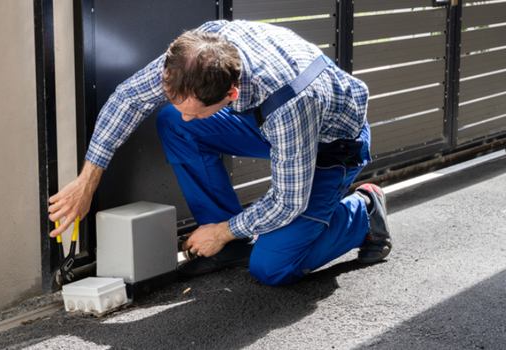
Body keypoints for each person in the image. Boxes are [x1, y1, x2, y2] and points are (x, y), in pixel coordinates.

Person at [47, 20, 392, 286]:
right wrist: (87, 180)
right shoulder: (196, 55)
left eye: (196, 110)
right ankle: (232, 246)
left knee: (272, 268)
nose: (187, 115)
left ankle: (363, 212)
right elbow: (127, 99)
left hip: (331, 147)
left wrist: (223, 230)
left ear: (230, 93)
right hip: (275, 126)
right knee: (172, 123)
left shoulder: (289, 101)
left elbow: (289, 201)